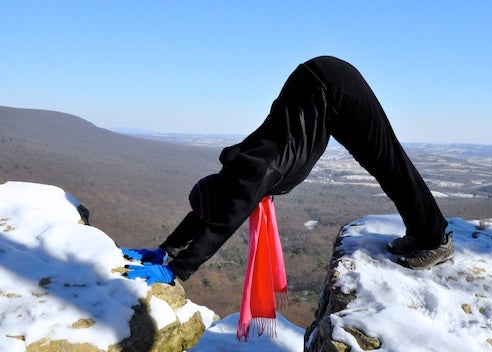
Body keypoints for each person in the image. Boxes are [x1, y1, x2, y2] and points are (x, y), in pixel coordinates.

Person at [124, 56, 454, 285]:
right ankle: (421, 231)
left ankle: (434, 239)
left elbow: (222, 223)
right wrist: (165, 250)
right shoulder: (231, 174)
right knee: (381, 162)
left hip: (333, 86)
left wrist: (176, 270)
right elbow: (207, 210)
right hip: (316, 87)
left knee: (388, 162)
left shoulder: (258, 171)